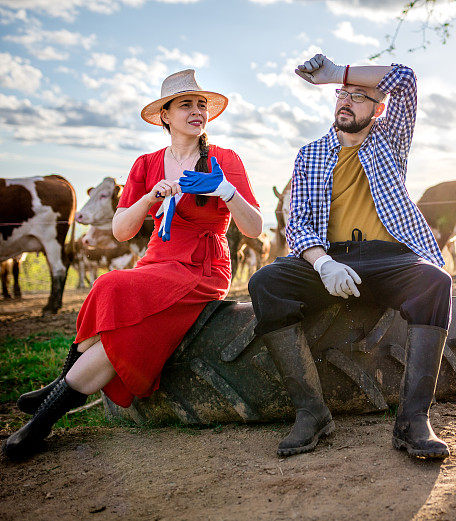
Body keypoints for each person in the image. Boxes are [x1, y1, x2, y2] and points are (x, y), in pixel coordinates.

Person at [3, 69, 262, 461]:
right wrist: (149, 200)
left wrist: (224, 190)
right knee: (112, 295)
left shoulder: (224, 159)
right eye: (186, 104)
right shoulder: (146, 164)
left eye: (201, 105)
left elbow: (255, 227)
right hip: (156, 261)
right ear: (166, 115)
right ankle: (57, 395)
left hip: (201, 266)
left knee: (112, 287)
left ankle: (46, 413)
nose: (197, 111)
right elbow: (123, 231)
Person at [248, 54, 452, 460]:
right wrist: (323, 263)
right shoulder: (309, 155)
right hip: (333, 260)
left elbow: (406, 79)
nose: (346, 100)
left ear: (379, 110)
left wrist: (335, 73)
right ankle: (311, 413)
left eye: (360, 96)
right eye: (342, 94)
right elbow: (299, 222)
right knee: (265, 282)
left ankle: (413, 421)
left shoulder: (389, 139)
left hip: (390, 258)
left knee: (435, 283)